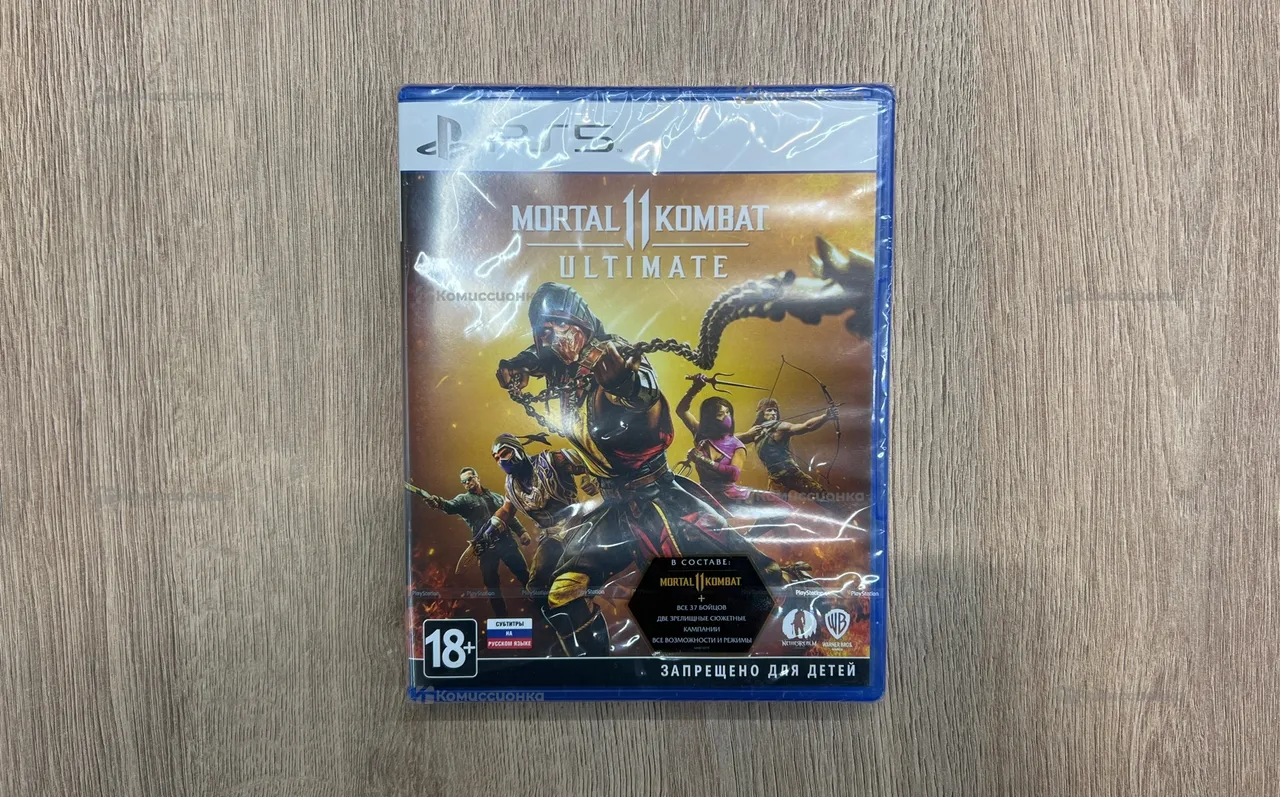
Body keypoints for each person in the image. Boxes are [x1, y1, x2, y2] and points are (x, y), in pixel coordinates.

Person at [496, 283, 801, 656]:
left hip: (659, 500)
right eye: (544, 332)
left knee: (724, 581)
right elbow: (542, 356)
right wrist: (517, 365)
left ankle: (792, 614)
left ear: (578, 325)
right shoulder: (563, 368)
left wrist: (623, 384)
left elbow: (648, 396)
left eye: (559, 328)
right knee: (561, 594)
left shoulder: (616, 355)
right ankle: (598, 671)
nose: (553, 339)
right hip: (614, 508)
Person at [674, 374, 792, 536]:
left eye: (728, 412)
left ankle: (749, 538)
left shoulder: (736, 444)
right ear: (711, 418)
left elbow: (734, 474)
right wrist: (695, 388)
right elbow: (682, 410)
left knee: (782, 508)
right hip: (705, 495)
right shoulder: (700, 433)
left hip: (730, 495)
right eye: (720, 414)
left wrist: (702, 459)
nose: (726, 417)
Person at [410, 467, 530, 617]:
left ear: (477, 477)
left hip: (506, 542)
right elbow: (449, 506)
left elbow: (509, 516)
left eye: (469, 479)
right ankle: (501, 618)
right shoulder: (464, 499)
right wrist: (437, 502)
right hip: (484, 547)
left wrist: (522, 532)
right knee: (492, 585)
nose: (467, 483)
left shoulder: (497, 497)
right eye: (464, 482)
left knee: (524, 574)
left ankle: (539, 605)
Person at [741, 398, 847, 517]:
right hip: (776, 480)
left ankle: (850, 516)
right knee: (773, 513)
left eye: (775, 410)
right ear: (761, 413)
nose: (773, 413)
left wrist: (825, 417)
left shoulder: (780, 427)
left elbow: (806, 426)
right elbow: (732, 439)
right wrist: (747, 434)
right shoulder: (755, 432)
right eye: (769, 410)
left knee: (823, 497)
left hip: (792, 474)